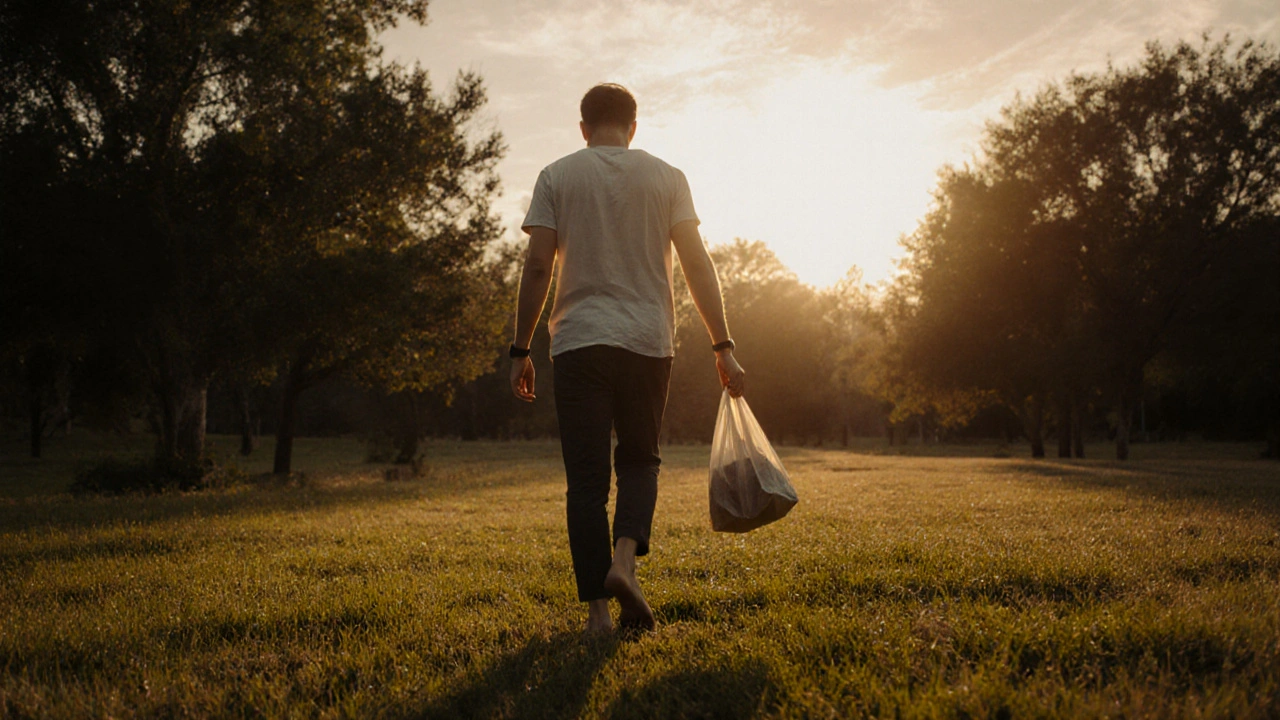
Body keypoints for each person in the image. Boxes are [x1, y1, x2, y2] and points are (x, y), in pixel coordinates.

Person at [510, 83, 745, 634]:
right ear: (633, 128)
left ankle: (597, 616)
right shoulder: (667, 177)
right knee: (640, 459)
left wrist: (521, 349)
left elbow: (538, 266)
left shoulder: (557, 175)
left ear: (584, 128)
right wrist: (723, 345)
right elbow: (697, 265)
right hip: (646, 340)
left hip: (578, 342)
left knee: (586, 482)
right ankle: (623, 564)